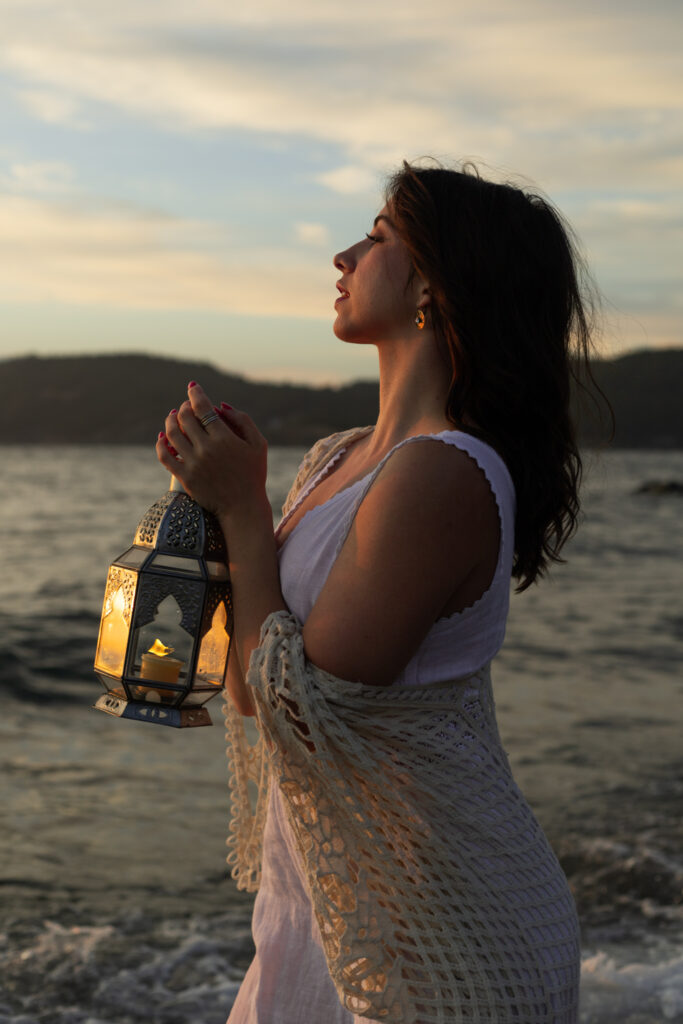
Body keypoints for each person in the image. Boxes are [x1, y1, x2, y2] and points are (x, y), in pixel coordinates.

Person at [156, 161, 597, 1023]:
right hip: (322, 913)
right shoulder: (336, 459)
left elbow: (309, 716)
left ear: (433, 280)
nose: (343, 254)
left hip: (445, 937)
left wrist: (244, 504)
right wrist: (211, 502)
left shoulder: (444, 472)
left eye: (380, 236)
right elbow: (254, 687)